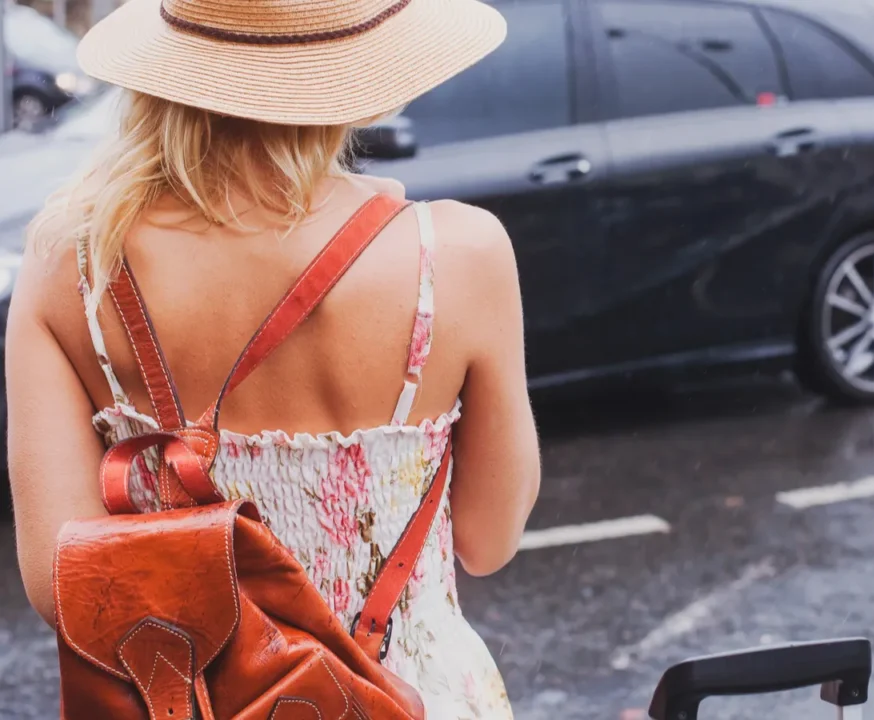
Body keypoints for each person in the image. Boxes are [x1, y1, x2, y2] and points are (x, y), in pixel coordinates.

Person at [5, 0, 539, 716]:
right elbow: (488, 539)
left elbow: (60, 585)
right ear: (356, 69)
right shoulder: (457, 256)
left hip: (191, 699)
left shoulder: (71, 265)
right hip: (414, 694)